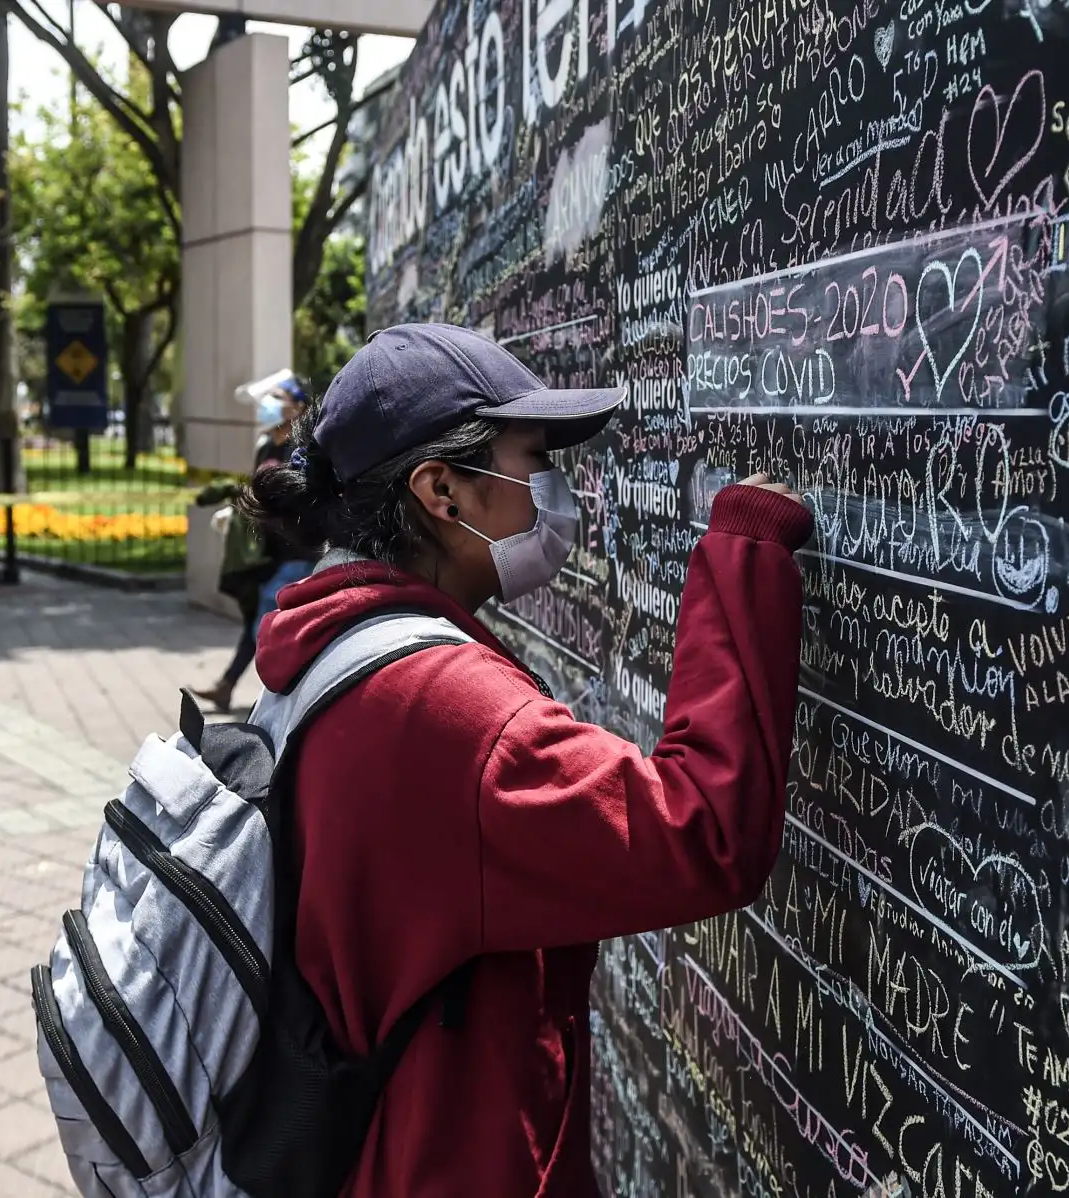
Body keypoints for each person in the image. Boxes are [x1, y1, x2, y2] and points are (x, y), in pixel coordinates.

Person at [238, 322, 812, 1198]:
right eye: (532, 457)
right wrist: (745, 551)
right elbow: (701, 832)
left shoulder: (324, 645)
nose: (555, 489)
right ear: (442, 491)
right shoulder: (441, 707)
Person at [194, 377, 316, 711]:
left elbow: (295, 497)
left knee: (266, 624)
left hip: (295, 551)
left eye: (278, 398)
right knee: (258, 623)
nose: (270, 404)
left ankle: (283, 699)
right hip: (265, 553)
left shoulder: (301, 449)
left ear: (298, 406)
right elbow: (256, 491)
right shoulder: (266, 445)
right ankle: (229, 686)